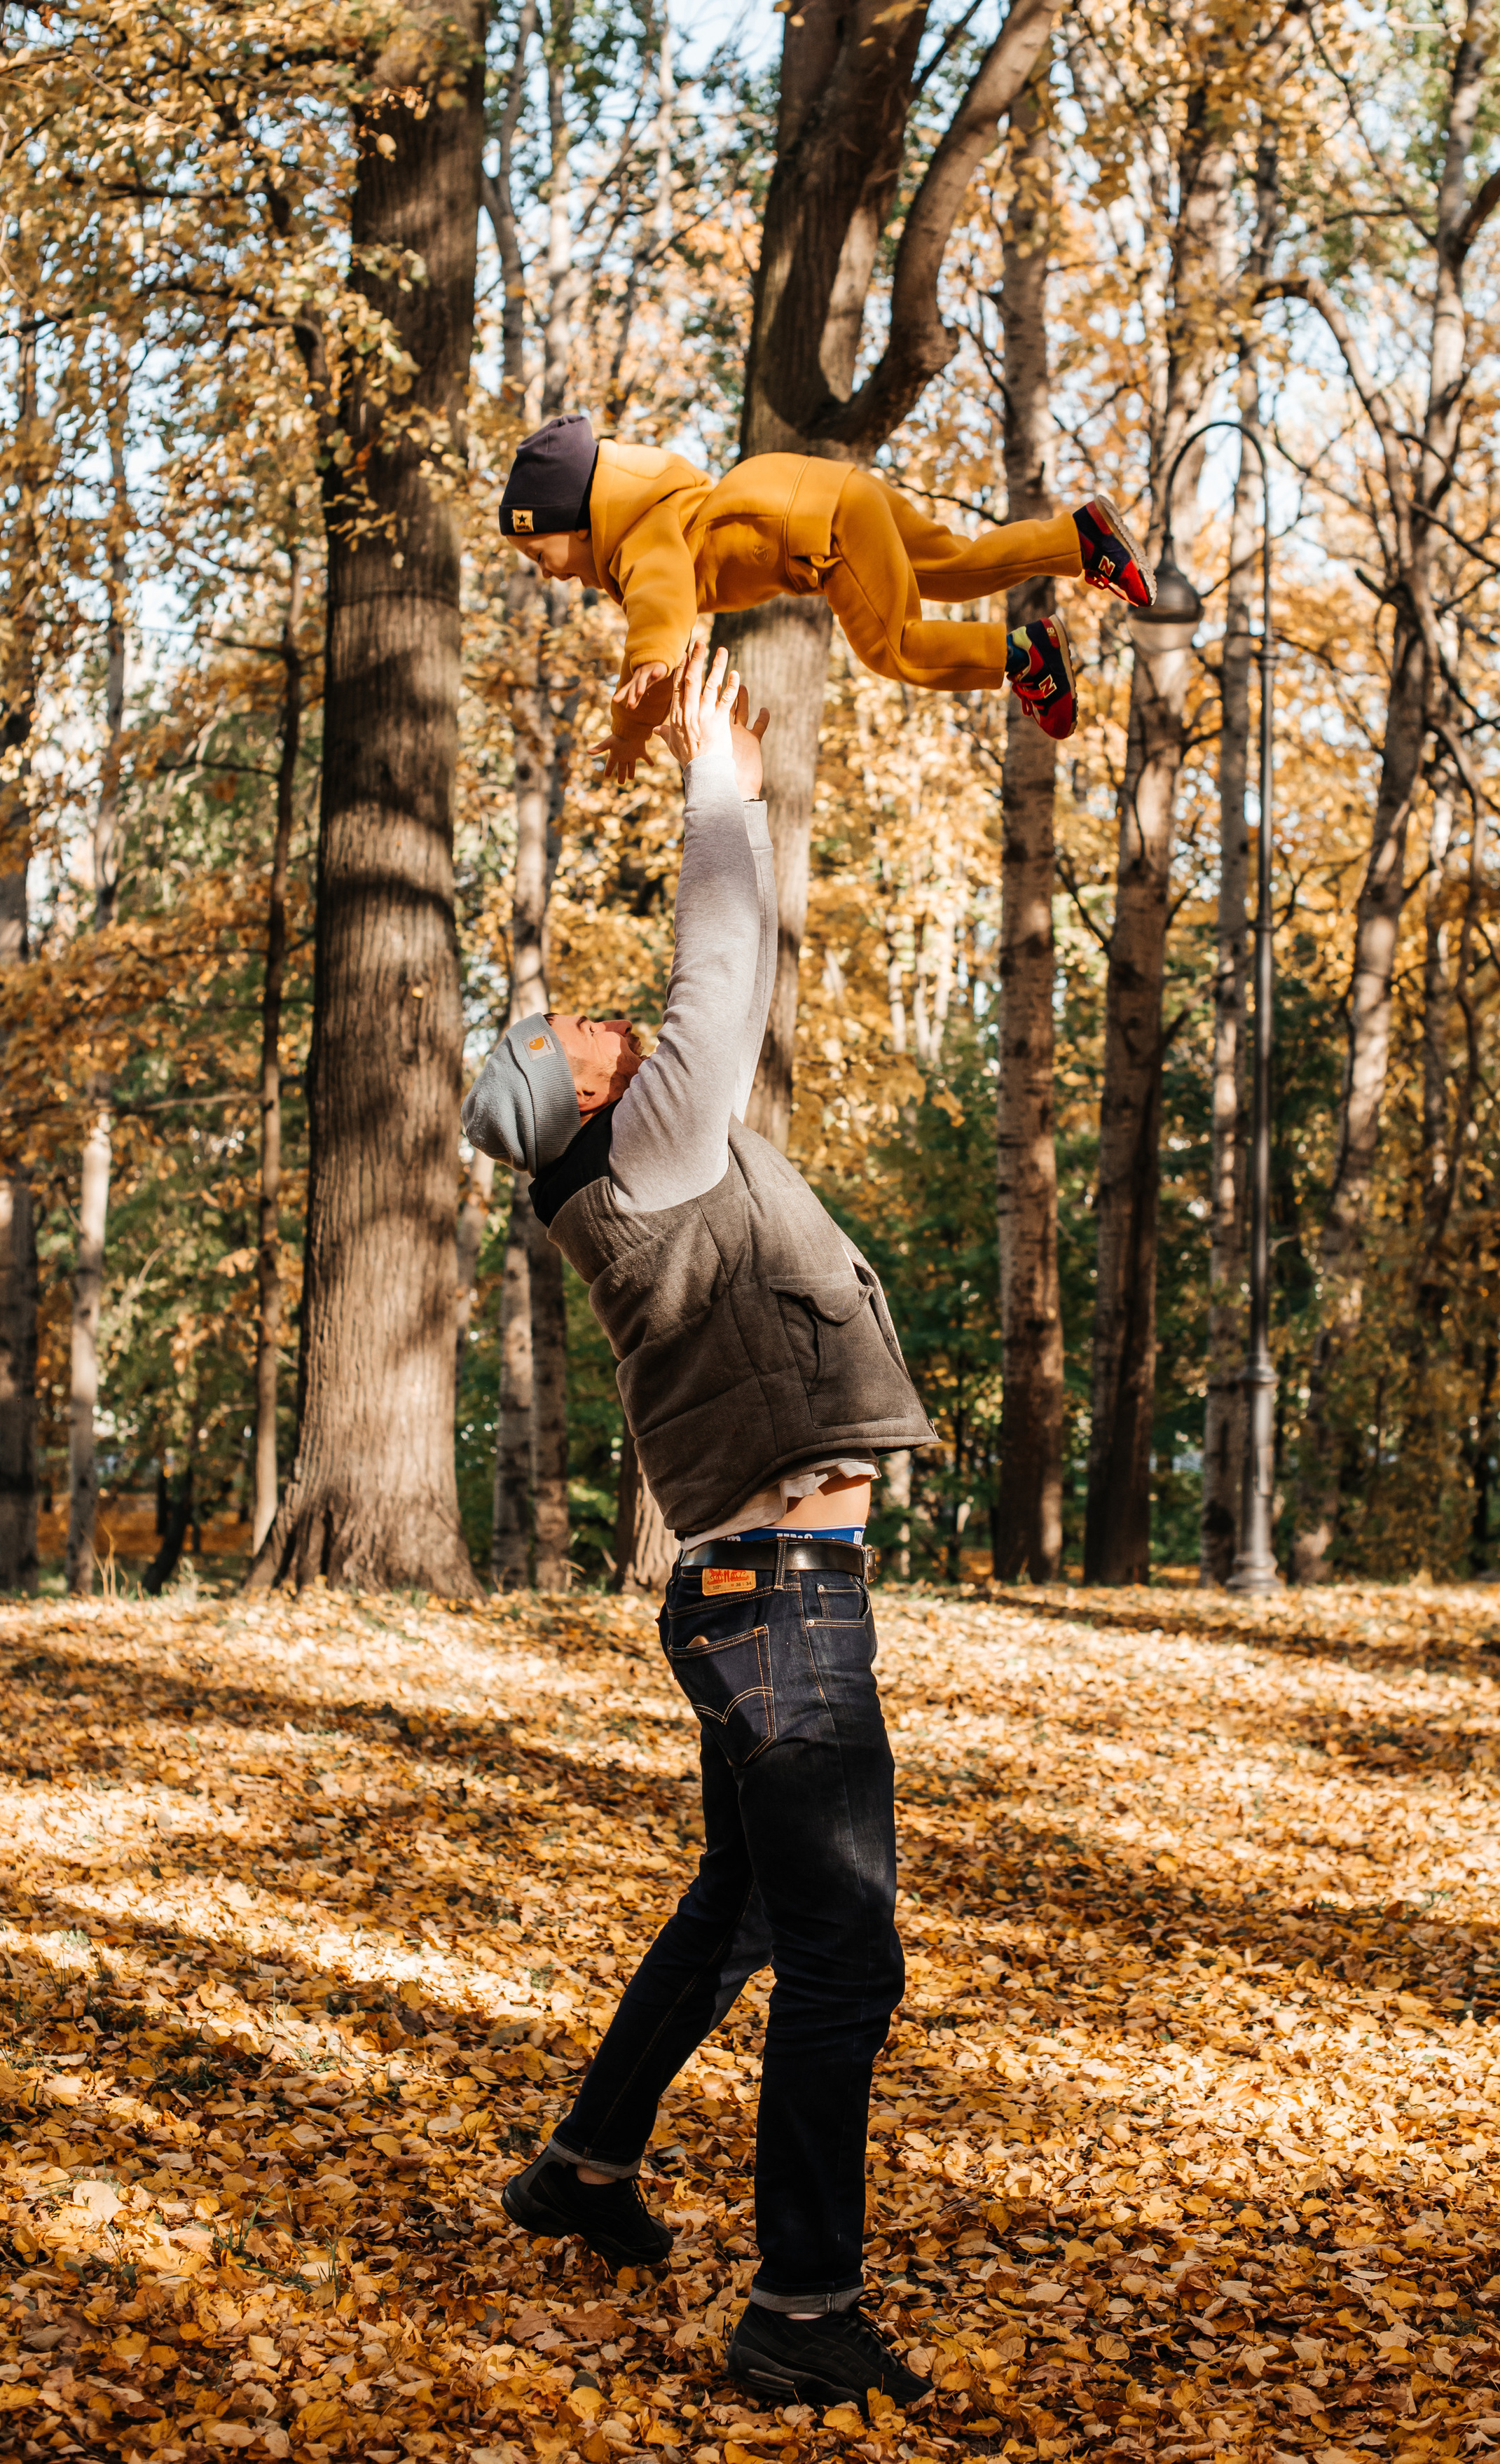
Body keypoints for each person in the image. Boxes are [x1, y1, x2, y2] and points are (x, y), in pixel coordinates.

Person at [461, 639, 940, 2411]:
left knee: (746, 1901)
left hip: (742, 1589)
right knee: (842, 1947)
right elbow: (722, 958)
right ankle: (797, 2309)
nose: (607, 1017)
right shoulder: (649, 1139)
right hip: (778, 1602)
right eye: (576, 1029)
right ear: (578, 1085)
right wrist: (715, 764)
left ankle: (583, 2166)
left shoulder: (621, 1159)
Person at [495, 411, 1156, 774]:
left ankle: (1026, 655)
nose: (547, 571)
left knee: (895, 649)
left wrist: (649, 663)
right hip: (833, 489)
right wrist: (632, 726)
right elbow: (652, 620)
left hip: (822, 530)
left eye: (539, 552)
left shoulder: (639, 537)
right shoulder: (651, 513)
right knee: (952, 566)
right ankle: (1080, 540)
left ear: (577, 522)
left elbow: (660, 599)